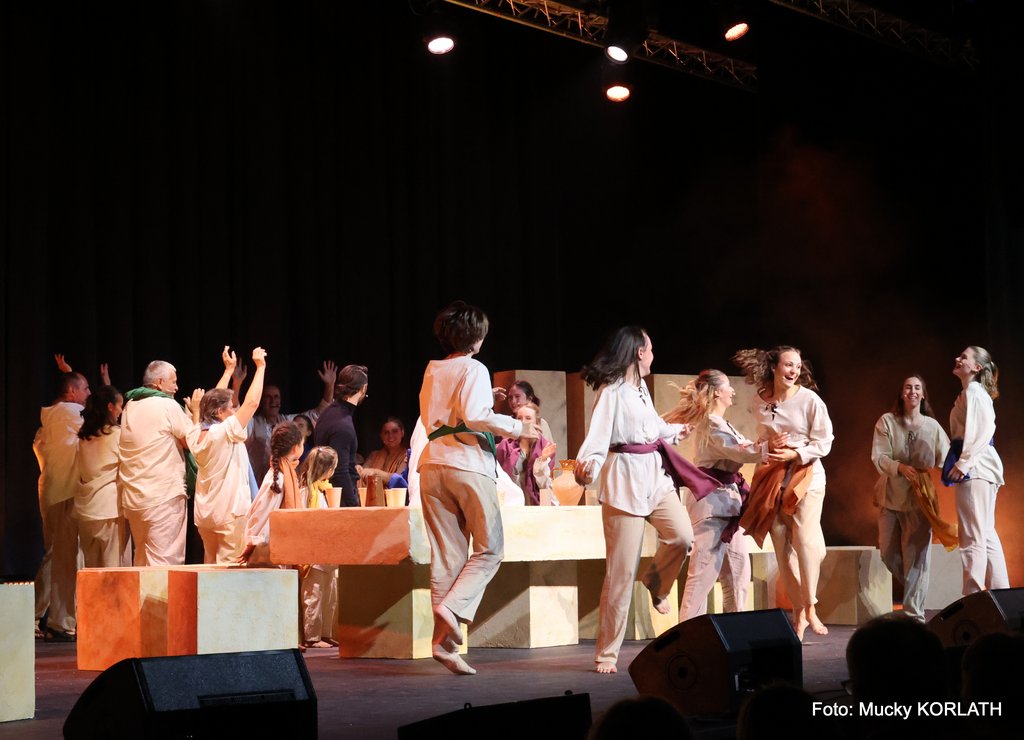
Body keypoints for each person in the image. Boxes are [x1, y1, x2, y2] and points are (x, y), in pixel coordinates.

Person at [574, 326, 712, 674]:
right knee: (620, 574)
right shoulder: (612, 391)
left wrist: (675, 431)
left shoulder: (640, 389)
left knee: (682, 536)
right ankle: (607, 653)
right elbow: (598, 435)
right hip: (625, 481)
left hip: (654, 476)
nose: (653, 354)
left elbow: (650, 428)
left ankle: (656, 582)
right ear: (639, 352)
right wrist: (588, 464)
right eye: (650, 348)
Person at [418, 300, 528, 675]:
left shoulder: (433, 369)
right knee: (490, 548)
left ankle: (443, 644)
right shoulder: (475, 367)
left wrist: (485, 402)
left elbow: (451, 410)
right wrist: (517, 426)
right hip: (466, 463)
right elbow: (475, 416)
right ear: (476, 337)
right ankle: (452, 609)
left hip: (433, 464)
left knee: (448, 554)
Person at [732, 345, 834, 641]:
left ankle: (811, 606)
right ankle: (798, 611)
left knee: (805, 540)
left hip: (806, 475)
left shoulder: (809, 400)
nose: (794, 371)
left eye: (798, 366)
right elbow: (762, 440)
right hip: (773, 477)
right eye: (789, 365)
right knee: (781, 542)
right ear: (774, 367)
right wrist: (765, 446)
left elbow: (825, 441)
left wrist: (795, 453)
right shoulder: (759, 401)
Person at [663, 369, 764, 621]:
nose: (733, 391)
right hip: (712, 504)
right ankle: (687, 633)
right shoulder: (711, 423)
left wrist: (766, 446)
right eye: (728, 386)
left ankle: (736, 630)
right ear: (718, 392)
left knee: (738, 576)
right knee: (703, 575)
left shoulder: (721, 423)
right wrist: (769, 447)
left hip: (727, 504)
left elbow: (744, 447)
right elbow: (741, 451)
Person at [871, 374, 953, 622]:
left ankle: (914, 616)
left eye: (917, 387)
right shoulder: (887, 421)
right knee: (888, 553)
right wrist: (899, 467)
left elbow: (946, 459)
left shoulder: (932, 427)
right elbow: (879, 456)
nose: (913, 391)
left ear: (923, 395)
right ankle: (913, 592)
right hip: (890, 494)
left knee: (916, 556)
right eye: (908, 387)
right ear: (901, 393)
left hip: (920, 496)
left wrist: (965, 467)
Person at [186, 347, 267, 564]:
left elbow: (210, 403)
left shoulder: (194, 432)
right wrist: (260, 367)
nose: (234, 411)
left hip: (206, 516)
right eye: (231, 408)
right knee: (228, 573)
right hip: (229, 515)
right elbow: (252, 403)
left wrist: (228, 371)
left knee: (210, 568)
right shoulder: (222, 433)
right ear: (220, 413)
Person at [945, 346, 1009, 595]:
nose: (958, 359)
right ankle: (1002, 594)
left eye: (964, 357)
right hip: (983, 468)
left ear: (977, 367)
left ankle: (973, 595)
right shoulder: (971, 392)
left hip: (977, 469)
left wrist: (964, 463)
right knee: (985, 533)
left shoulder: (974, 391)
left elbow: (984, 429)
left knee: (972, 536)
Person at [33, 370, 91, 641]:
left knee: (64, 556)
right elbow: (100, 422)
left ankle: (62, 618)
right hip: (66, 493)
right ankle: (40, 615)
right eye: (85, 389)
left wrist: (69, 373)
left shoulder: (51, 418)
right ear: (72, 393)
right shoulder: (71, 412)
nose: (88, 394)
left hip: (53, 491)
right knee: (60, 557)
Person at [118, 360, 192, 566]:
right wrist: (193, 413)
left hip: (135, 499)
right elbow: (191, 441)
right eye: (173, 382)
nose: (176, 388)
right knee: (165, 563)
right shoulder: (167, 405)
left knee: (142, 560)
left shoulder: (130, 405)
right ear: (159, 382)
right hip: (163, 497)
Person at [235, 360, 337, 482]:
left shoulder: (288, 422)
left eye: (276, 397)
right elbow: (237, 418)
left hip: (284, 480)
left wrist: (330, 385)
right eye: (268, 397)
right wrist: (236, 384)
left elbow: (318, 413)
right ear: (261, 402)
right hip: (257, 483)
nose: (273, 401)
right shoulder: (253, 423)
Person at [75, 384, 129, 568]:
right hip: (108, 508)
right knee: (112, 569)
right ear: (110, 407)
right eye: (120, 405)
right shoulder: (117, 434)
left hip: (86, 510)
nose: (121, 410)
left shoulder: (84, 438)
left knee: (91, 570)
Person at [240, 421, 306, 567]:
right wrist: (251, 543)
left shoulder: (283, 474)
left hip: (274, 545)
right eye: (302, 444)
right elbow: (262, 512)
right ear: (295, 448)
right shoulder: (279, 478)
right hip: (267, 549)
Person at [296, 445, 340, 649]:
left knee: (330, 595)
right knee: (314, 595)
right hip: (312, 554)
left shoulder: (324, 490)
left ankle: (326, 632)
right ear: (327, 469)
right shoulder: (306, 492)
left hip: (327, 553)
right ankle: (312, 636)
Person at [313, 364, 369, 508]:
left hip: (326, 495)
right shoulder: (343, 425)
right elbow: (340, 472)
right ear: (363, 389)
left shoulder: (328, 413)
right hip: (338, 502)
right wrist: (354, 506)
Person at [496, 402, 557, 505]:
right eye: (519, 418)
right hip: (512, 502)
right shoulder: (505, 446)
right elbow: (506, 479)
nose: (523, 422)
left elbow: (545, 485)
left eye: (528, 418)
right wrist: (522, 451)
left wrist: (542, 460)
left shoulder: (545, 446)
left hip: (537, 503)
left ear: (537, 423)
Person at [358, 416, 411, 490]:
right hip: (370, 496)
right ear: (381, 435)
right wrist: (358, 469)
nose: (390, 436)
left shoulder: (407, 455)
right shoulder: (374, 455)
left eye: (395, 431)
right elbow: (363, 473)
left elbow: (399, 481)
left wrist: (376, 472)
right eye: (386, 432)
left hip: (395, 496)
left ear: (402, 433)